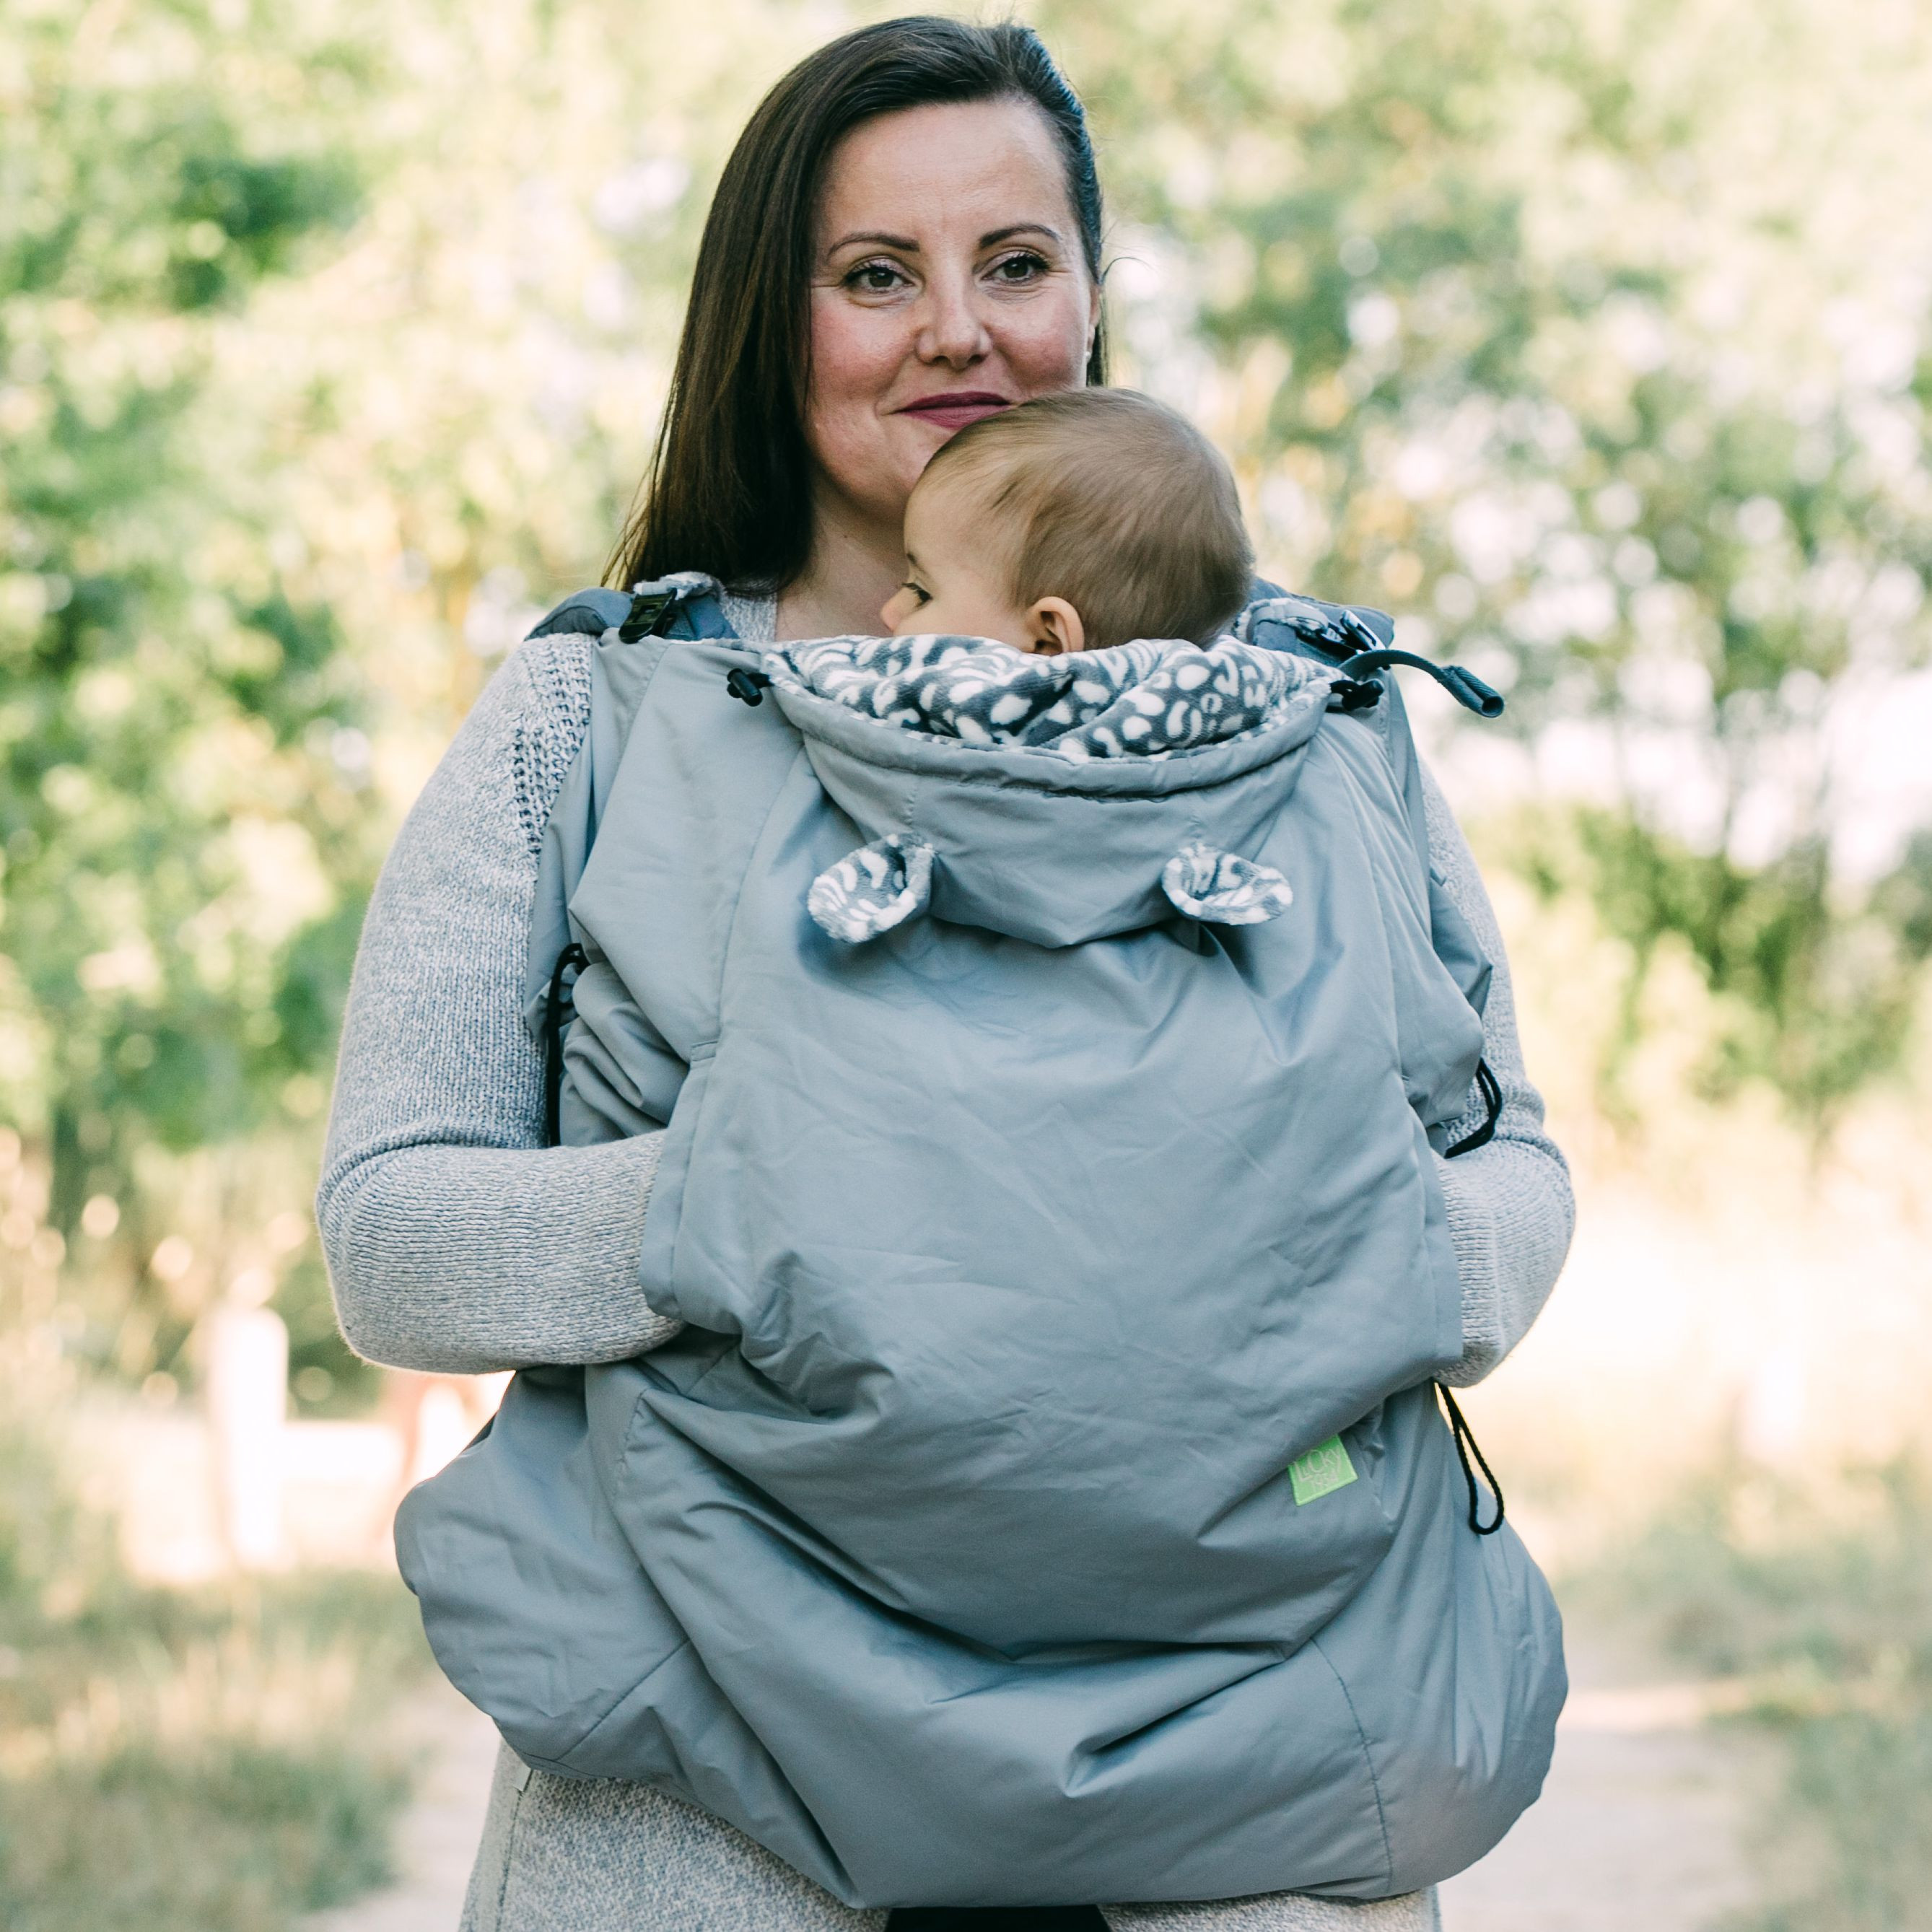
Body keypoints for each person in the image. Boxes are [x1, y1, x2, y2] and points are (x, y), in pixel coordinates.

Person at [317, 18, 1575, 1931]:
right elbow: (395, 1237)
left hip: (1243, 1780)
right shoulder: (592, 713)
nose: (957, 331)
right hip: (707, 1794)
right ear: (773, 317)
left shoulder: (1296, 716)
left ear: (1089, 295)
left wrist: (1325, 1245)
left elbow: (1512, 1176)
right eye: (874, 275)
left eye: (1015, 264)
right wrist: (798, 1206)